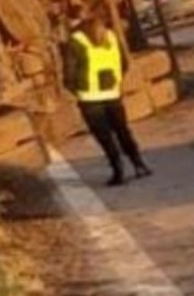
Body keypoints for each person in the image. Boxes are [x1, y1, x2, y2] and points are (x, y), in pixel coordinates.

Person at [63, 10, 153, 187]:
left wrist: (76, 89)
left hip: (89, 99)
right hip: (113, 94)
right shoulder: (111, 38)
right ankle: (139, 164)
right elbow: (124, 64)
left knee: (105, 136)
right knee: (122, 130)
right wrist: (114, 82)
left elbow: (69, 74)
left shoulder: (75, 43)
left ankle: (118, 169)